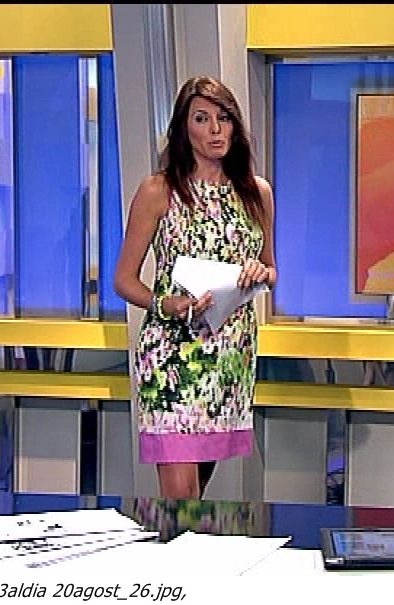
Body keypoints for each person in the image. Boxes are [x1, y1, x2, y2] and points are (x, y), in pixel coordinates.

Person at [114, 75, 277, 499]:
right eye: (202, 119)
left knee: (195, 501)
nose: (216, 129)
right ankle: (169, 544)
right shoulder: (159, 191)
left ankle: (178, 543)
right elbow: (124, 281)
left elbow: (271, 268)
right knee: (180, 499)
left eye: (224, 118)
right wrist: (166, 304)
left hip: (229, 354)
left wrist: (259, 273)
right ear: (184, 129)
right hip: (172, 353)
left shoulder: (256, 193)